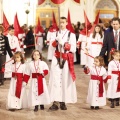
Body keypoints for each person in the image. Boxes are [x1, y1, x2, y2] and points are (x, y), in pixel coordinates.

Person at [48, 17, 77, 111]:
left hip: (66, 59)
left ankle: (63, 101)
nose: (61, 24)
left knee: (64, 80)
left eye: (63, 22)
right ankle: (55, 102)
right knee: (56, 80)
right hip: (56, 58)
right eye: (60, 22)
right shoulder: (54, 34)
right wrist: (56, 41)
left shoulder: (71, 35)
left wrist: (63, 43)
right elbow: (51, 46)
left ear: (66, 23)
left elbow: (73, 49)